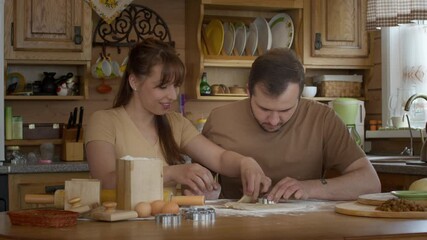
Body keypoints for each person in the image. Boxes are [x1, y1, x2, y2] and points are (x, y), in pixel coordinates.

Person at [85, 38, 271, 199]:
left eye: (176, 86)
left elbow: (220, 158)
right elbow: (106, 179)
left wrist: (245, 163)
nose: (173, 95)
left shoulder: (176, 123)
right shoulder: (103, 121)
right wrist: (171, 174)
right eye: (162, 86)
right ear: (134, 82)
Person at [202, 48, 381, 202]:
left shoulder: (323, 119)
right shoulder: (220, 120)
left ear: (300, 97)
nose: (273, 120)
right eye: (263, 108)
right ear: (249, 91)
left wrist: (309, 189)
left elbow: (370, 182)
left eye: (285, 110)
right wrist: (204, 191)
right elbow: (197, 184)